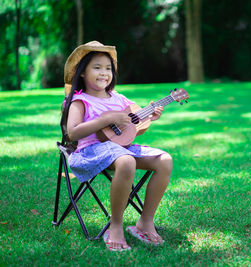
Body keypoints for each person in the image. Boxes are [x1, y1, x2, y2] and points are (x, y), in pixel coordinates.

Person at [60, 41, 173, 251]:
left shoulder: (118, 98)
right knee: (126, 161)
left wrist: (151, 115)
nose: (104, 73)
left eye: (108, 68)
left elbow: (133, 123)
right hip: (90, 151)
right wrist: (105, 119)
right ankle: (116, 226)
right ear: (82, 72)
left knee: (165, 160)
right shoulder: (79, 101)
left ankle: (145, 222)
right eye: (97, 67)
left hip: (121, 149)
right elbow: (73, 132)